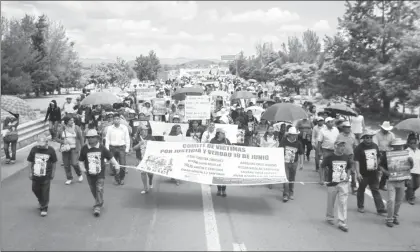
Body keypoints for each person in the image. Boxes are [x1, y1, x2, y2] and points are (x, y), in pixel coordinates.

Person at [78, 129, 120, 217]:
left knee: (99, 188)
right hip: (89, 173)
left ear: (97, 138)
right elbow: (81, 161)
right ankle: (99, 201)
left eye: (93, 137)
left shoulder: (102, 148)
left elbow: (110, 157)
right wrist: (83, 169)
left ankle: (97, 206)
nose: (91, 139)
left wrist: (116, 165)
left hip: (100, 173)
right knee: (93, 189)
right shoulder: (84, 148)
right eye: (89, 138)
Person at [378, 138, 413, 227]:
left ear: (402, 146)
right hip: (391, 181)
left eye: (400, 146)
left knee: (399, 201)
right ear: (393, 147)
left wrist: (411, 163)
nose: (398, 147)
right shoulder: (387, 155)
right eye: (396, 146)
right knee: (391, 200)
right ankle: (389, 219)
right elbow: (380, 165)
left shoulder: (406, 155)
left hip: (401, 181)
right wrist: (385, 172)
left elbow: (409, 168)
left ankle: (394, 216)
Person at [354, 130, 387, 215]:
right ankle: (360, 206)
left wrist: (377, 164)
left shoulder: (375, 146)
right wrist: (358, 173)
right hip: (363, 173)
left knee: (375, 189)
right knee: (361, 190)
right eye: (367, 137)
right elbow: (356, 161)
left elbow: (378, 156)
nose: (369, 139)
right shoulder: (359, 148)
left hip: (373, 173)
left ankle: (380, 208)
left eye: (370, 137)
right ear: (363, 138)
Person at [322, 138, 351, 232]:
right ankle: (329, 216)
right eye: (340, 146)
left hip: (343, 183)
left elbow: (349, 168)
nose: (342, 147)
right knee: (331, 201)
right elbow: (322, 167)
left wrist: (348, 176)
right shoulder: (329, 157)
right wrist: (322, 179)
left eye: (343, 146)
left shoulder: (346, 157)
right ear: (336, 146)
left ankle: (342, 222)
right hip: (332, 183)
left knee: (343, 202)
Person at [27, 135, 58, 217]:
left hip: (46, 174)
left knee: (45, 191)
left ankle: (44, 207)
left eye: (42, 145)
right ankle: (41, 201)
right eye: (39, 145)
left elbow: (54, 162)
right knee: (35, 189)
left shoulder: (51, 150)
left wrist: (53, 172)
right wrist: (30, 172)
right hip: (36, 174)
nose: (40, 147)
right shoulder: (34, 149)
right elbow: (30, 161)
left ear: (46, 143)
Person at [279, 127, 304, 202]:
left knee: (292, 178)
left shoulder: (298, 143)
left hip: (294, 163)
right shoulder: (284, 141)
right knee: (286, 178)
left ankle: (291, 192)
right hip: (285, 162)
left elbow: (301, 153)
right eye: (292, 135)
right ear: (289, 135)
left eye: (295, 135)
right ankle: (285, 194)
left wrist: (301, 163)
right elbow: (279, 150)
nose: (294, 136)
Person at [57, 116, 84, 185]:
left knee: (74, 163)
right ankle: (69, 178)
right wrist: (63, 142)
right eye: (70, 120)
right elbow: (56, 138)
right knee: (66, 164)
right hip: (65, 148)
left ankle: (79, 174)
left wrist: (83, 147)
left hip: (74, 148)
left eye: (73, 120)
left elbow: (81, 138)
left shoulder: (76, 127)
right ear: (66, 121)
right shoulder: (62, 128)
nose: (72, 121)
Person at [105, 113, 131, 186]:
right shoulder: (110, 128)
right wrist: (107, 149)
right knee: (114, 165)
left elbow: (127, 139)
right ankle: (117, 179)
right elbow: (107, 139)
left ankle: (122, 178)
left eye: (118, 119)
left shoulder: (124, 128)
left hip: (121, 148)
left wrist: (127, 149)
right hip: (112, 148)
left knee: (122, 164)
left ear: (120, 119)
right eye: (115, 119)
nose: (116, 120)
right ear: (113, 120)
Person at [373, 121, 396, 191]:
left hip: (389, 153)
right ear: (382, 128)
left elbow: (394, 143)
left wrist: (392, 145)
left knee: (387, 170)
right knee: (376, 169)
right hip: (379, 153)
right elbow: (375, 144)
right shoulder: (377, 135)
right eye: (385, 129)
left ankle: (382, 184)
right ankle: (375, 184)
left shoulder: (391, 135)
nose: (386, 131)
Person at [336, 121, 358, 194]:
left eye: (349, 127)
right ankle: (340, 186)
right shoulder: (339, 135)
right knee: (341, 170)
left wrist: (355, 155)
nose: (348, 129)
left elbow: (355, 146)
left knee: (352, 171)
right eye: (346, 127)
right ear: (343, 128)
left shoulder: (352, 136)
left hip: (350, 155)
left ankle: (353, 186)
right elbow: (336, 145)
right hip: (342, 155)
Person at [133, 125, 155, 194]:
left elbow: (156, 146)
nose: (145, 131)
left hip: (150, 158)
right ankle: (145, 188)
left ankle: (150, 180)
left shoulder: (151, 137)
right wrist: (140, 144)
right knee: (143, 172)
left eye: (146, 130)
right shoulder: (136, 138)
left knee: (150, 173)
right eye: (144, 130)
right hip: (140, 158)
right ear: (140, 131)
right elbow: (134, 148)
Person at [317, 117, 340, 184]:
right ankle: (322, 179)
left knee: (334, 165)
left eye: (332, 121)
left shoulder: (336, 129)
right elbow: (319, 141)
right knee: (323, 165)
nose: (331, 123)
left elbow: (338, 139)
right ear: (326, 123)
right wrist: (319, 151)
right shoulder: (322, 130)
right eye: (330, 122)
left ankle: (332, 179)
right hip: (326, 150)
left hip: (335, 150)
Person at [210, 128, 231, 197]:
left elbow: (231, 149)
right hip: (217, 161)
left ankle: (224, 190)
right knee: (218, 175)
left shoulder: (226, 140)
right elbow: (209, 149)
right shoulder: (213, 141)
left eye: (224, 133)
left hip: (225, 161)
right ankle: (219, 189)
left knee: (224, 175)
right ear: (218, 134)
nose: (224, 135)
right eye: (222, 133)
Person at [406, 136, 420, 205]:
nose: (413, 144)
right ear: (408, 144)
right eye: (412, 143)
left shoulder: (419, 151)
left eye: (415, 143)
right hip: (409, 171)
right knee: (410, 186)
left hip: (418, 171)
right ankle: (410, 198)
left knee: (417, 185)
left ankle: (408, 192)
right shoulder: (406, 151)